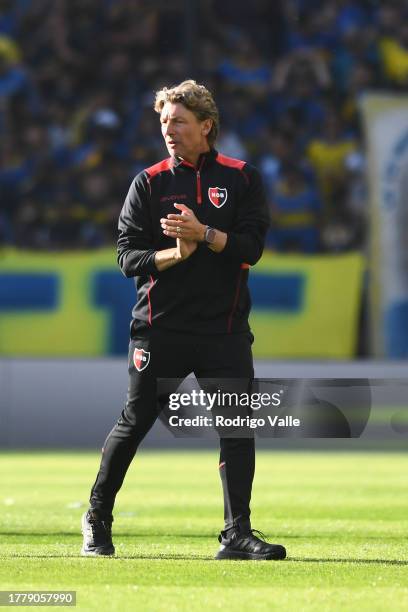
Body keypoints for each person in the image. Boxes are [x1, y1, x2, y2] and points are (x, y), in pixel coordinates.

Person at [81, 79, 287, 561]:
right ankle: (97, 518)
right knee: (135, 423)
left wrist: (206, 233)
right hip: (161, 328)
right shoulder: (148, 182)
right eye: (164, 122)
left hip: (224, 329)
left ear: (206, 126)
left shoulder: (242, 178)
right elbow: (127, 257)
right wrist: (175, 253)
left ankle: (237, 533)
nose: (168, 130)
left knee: (237, 427)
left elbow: (252, 248)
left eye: (178, 121)